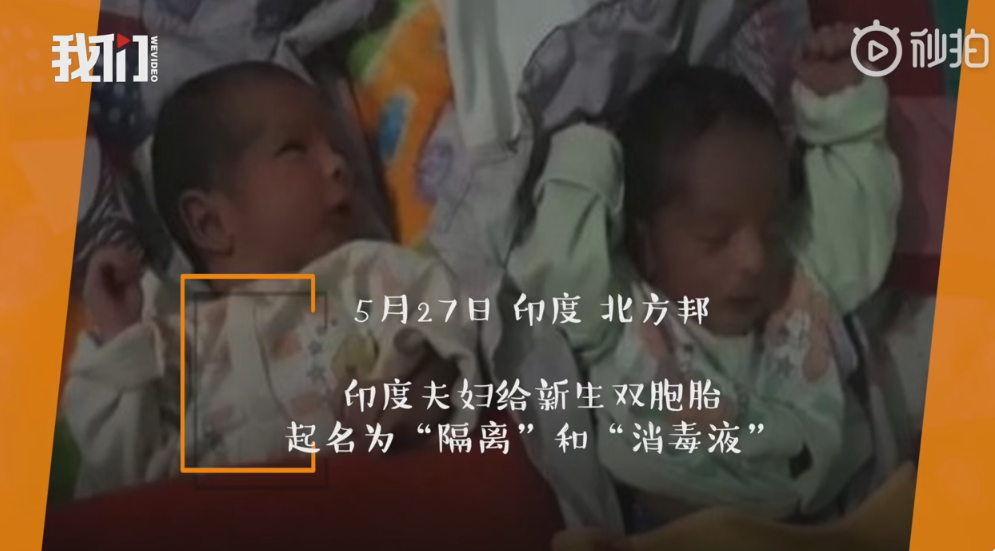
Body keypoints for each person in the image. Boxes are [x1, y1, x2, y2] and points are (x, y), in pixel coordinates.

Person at [508, 22, 902, 533]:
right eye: (716, 238)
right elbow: (559, 261)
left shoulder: (798, 275)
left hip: (825, 525)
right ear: (647, 246)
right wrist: (588, 149)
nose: (755, 259)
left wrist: (840, 107)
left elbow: (860, 221)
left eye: (773, 226)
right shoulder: (621, 312)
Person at [63, 61, 482, 498]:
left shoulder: (364, 272)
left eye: (339, 148)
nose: (339, 164)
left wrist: (416, 393)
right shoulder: (171, 347)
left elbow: (443, 322)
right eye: (295, 150)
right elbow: (118, 469)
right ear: (210, 223)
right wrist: (121, 337)